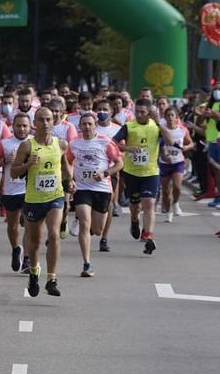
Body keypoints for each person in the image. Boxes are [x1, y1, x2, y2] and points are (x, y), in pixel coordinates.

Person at [12, 107, 74, 297]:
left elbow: (64, 166)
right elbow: (14, 172)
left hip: (55, 197)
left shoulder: (61, 144)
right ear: (35, 123)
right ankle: (33, 273)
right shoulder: (27, 146)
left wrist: (70, 181)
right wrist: (28, 164)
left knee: (54, 235)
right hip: (33, 199)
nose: (45, 123)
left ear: (53, 122)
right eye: (41, 120)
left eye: (49, 119)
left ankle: (52, 279)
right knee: (35, 241)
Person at [112, 98, 174, 255]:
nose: (139, 115)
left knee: (149, 204)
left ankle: (148, 235)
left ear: (149, 113)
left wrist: (159, 123)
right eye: (137, 112)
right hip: (131, 173)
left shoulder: (156, 127)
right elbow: (113, 143)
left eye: (142, 112)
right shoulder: (129, 126)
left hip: (151, 172)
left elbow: (170, 141)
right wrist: (127, 148)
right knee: (136, 206)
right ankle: (134, 220)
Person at [66, 113, 122, 277]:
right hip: (82, 188)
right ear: (80, 126)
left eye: (90, 124)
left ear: (95, 125)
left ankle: (88, 228)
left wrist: (105, 173)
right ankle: (87, 264)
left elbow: (119, 163)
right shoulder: (74, 143)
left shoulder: (105, 142)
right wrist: (70, 179)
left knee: (97, 230)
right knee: (84, 224)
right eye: (84, 124)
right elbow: (68, 162)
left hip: (102, 189)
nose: (87, 127)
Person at [158, 107, 192, 221]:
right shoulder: (161, 131)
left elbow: (190, 143)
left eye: (172, 115)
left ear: (177, 117)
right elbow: (159, 145)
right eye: (168, 115)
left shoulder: (182, 130)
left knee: (177, 187)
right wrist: (164, 155)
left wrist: (186, 147)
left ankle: (176, 203)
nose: (170, 117)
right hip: (164, 163)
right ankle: (168, 212)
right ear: (165, 117)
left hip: (178, 162)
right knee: (166, 191)